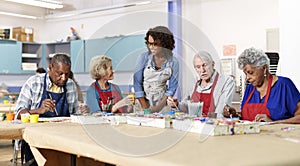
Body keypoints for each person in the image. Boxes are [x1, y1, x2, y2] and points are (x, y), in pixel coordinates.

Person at [15, 53, 79, 165]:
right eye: (59, 74)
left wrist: (81, 113)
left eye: (66, 74)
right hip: (36, 141)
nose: (63, 78)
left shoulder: (70, 85)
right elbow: (19, 114)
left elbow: (74, 115)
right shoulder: (34, 83)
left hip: (63, 139)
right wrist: (38, 110)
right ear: (50, 68)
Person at [223, 47, 300, 123]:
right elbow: (246, 120)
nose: (247, 78)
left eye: (250, 73)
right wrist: (234, 115)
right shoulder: (250, 89)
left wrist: (273, 123)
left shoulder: (284, 85)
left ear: (264, 68)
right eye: (245, 74)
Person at [167, 51, 235, 118]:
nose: (202, 70)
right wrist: (176, 104)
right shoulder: (194, 83)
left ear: (213, 64)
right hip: (194, 126)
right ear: (195, 68)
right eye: (198, 67)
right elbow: (186, 107)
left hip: (214, 125)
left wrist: (201, 117)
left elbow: (220, 112)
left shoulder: (226, 81)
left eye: (205, 65)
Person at [133, 26, 179, 113]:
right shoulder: (143, 58)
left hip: (162, 105)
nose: (151, 47)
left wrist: (158, 107)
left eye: (155, 44)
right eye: (149, 43)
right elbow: (137, 85)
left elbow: (172, 89)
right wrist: (146, 108)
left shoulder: (174, 62)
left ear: (165, 44)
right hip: (142, 104)